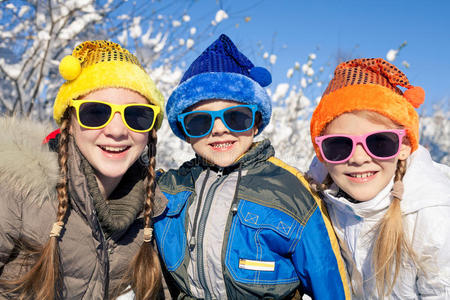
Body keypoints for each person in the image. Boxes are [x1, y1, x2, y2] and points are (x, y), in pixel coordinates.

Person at [153, 34, 350, 299]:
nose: (220, 130)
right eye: (200, 121)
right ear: (185, 131)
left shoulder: (292, 192)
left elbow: (329, 283)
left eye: (236, 117)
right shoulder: (171, 187)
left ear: (256, 122)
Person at [0, 40, 166, 299]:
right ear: (69, 121)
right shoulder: (19, 192)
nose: (117, 131)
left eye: (137, 116)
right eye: (96, 113)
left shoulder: (155, 211)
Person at [307, 58, 450, 298]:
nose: (359, 158)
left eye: (379, 142)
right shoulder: (317, 204)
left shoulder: (432, 215)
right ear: (322, 153)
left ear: (404, 146)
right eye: (340, 145)